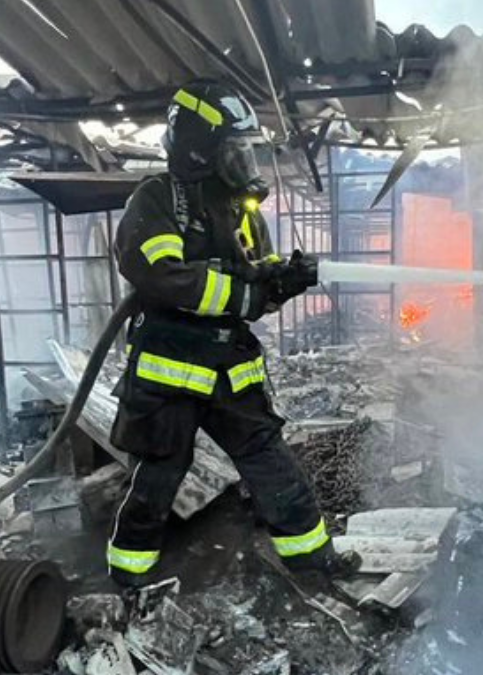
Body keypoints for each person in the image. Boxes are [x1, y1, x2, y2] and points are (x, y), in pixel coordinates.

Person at [105, 80, 359, 587]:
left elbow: (255, 286)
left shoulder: (241, 210)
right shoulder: (157, 200)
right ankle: (130, 579)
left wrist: (282, 280)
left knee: (271, 461)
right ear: (199, 150)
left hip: (229, 370)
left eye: (246, 149)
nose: (244, 160)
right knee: (158, 476)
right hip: (170, 373)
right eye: (234, 149)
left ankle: (314, 561)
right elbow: (163, 275)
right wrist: (245, 295)